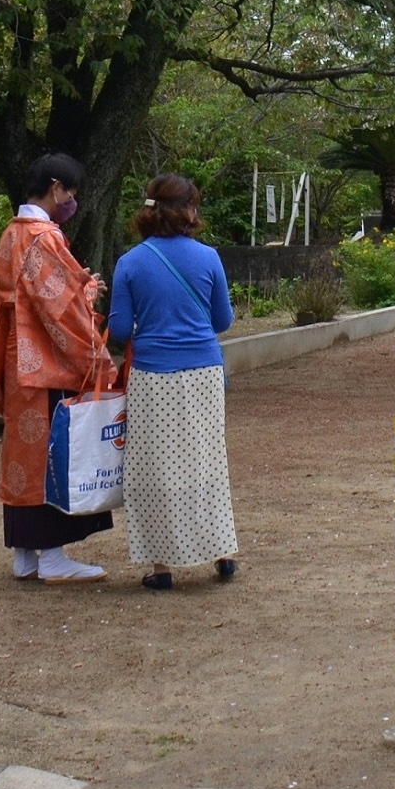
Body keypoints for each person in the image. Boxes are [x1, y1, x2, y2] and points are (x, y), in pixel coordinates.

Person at [0, 151, 119, 584]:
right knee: (52, 454)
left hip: (14, 357)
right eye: (71, 193)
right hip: (45, 362)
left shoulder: (12, 234)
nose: (72, 202)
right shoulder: (46, 237)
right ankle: (54, 554)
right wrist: (94, 348)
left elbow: (4, 304)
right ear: (57, 187)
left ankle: (25, 553)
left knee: (23, 454)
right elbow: (59, 306)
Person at [105, 173, 241, 591]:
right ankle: (222, 552)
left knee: (153, 468)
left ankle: (161, 565)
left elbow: (119, 331)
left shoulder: (130, 262)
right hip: (203, 373)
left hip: (153, 377)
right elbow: (222, 321)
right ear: (187, 211)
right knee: (206, 460)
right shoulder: (208, 258)